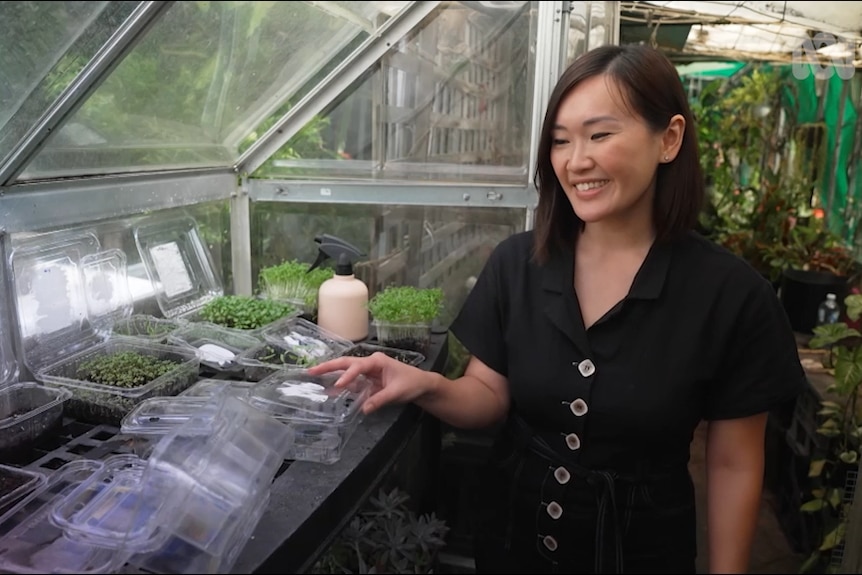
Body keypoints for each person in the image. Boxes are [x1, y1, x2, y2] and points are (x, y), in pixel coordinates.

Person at [308, 43, 806, 574]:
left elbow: (732, 463)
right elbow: (488, 394)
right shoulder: (519, 264)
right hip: (513, 543)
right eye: (561, 141)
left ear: (670, 138)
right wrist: (425, 383)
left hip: (642, 553)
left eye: (600, 134)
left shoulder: (731, 296)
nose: (576, 160)